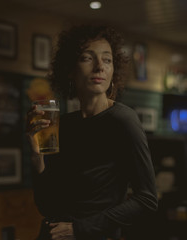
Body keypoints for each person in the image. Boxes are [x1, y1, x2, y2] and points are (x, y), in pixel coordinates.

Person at [26, 25, 158, 240]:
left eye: (107, 60)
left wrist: (78, 229)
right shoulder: (64, 124)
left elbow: (147, 199)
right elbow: (47, 205)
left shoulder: (123, 120)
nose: (100, 67)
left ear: (114, 69)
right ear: (70, 68)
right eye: (88, 58)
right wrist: (36, 154)